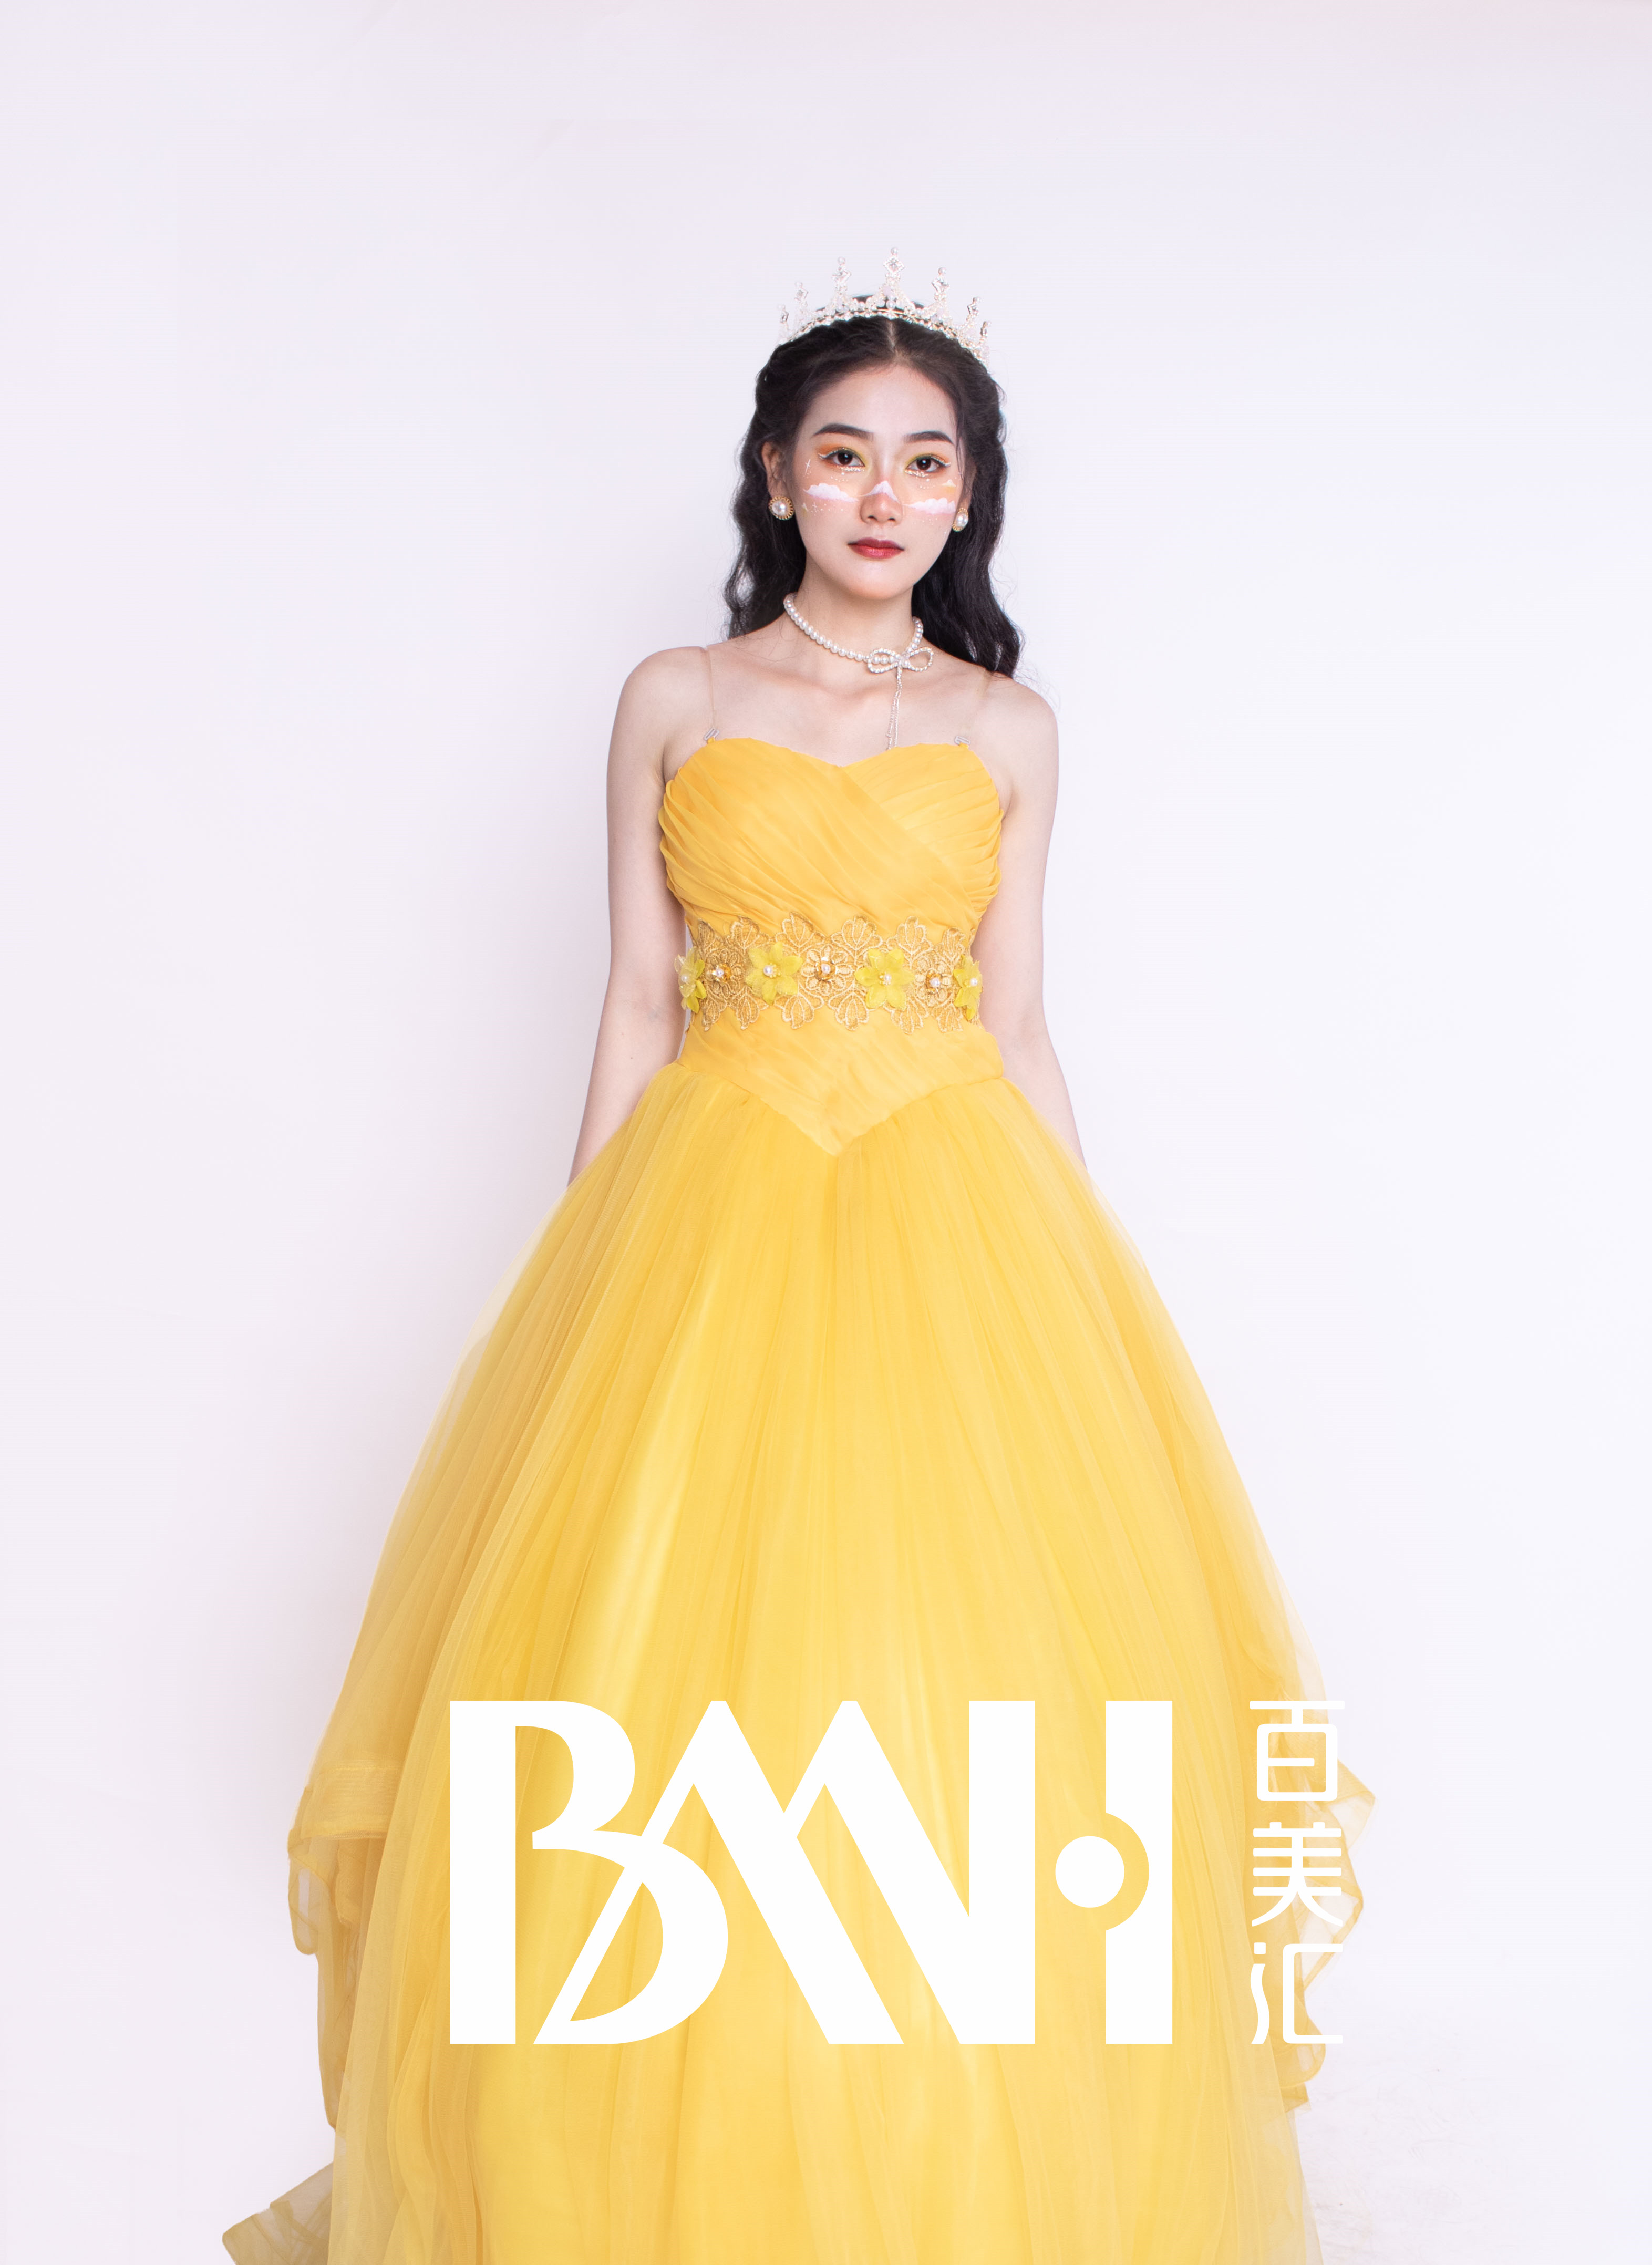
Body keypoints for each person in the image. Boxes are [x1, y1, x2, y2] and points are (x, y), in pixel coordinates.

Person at [226, 258, 1367, 2265]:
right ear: (773, 475)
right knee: (658, 1680)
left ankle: (943, 2149)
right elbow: (632, 1000)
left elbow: (1020, 1026)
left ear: (967, 495)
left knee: (962, 1674)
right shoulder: (677, 698)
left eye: (926, 462)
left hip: (954, 1188)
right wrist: (581, 1284)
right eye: (844, 453)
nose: (882, 494)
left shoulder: (1009, 729)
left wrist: (1088, 1301)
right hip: (714, 1177)